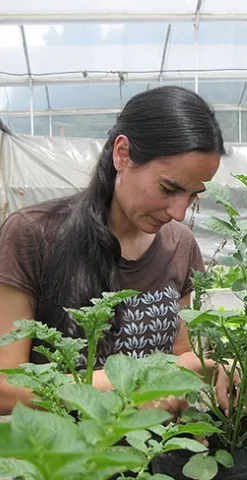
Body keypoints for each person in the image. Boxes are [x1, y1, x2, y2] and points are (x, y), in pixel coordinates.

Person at [0, 85, 230, 416]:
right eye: (169, 188)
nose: (179, 213)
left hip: (156, 453)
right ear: (122, 154)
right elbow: (6, 388)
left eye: (193, 195)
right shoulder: (33, 235)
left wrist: (212, 366)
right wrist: (135, 387)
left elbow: (181, 352)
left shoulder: (181, 244)